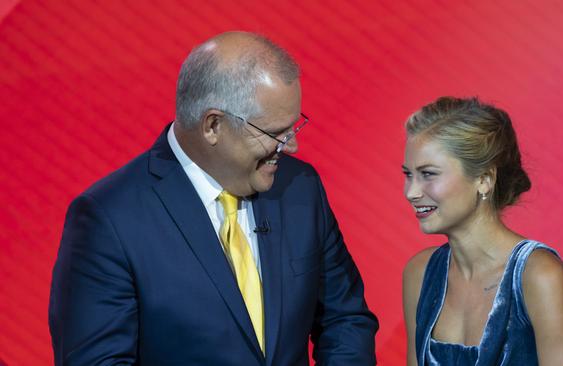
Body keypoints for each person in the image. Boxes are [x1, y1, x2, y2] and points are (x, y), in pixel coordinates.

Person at [49, 31, 378, 366]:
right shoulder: (110, 219)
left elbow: (345, 319)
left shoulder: (300, 187)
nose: (291, 146)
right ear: (213, 126)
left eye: (294, 127)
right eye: (275, 133)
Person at [401, 97, 563, 365]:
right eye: (408, 175)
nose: (411, 192)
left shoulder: (540, 276)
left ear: (484, 180)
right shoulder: (420, 273)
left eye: (428, 174)